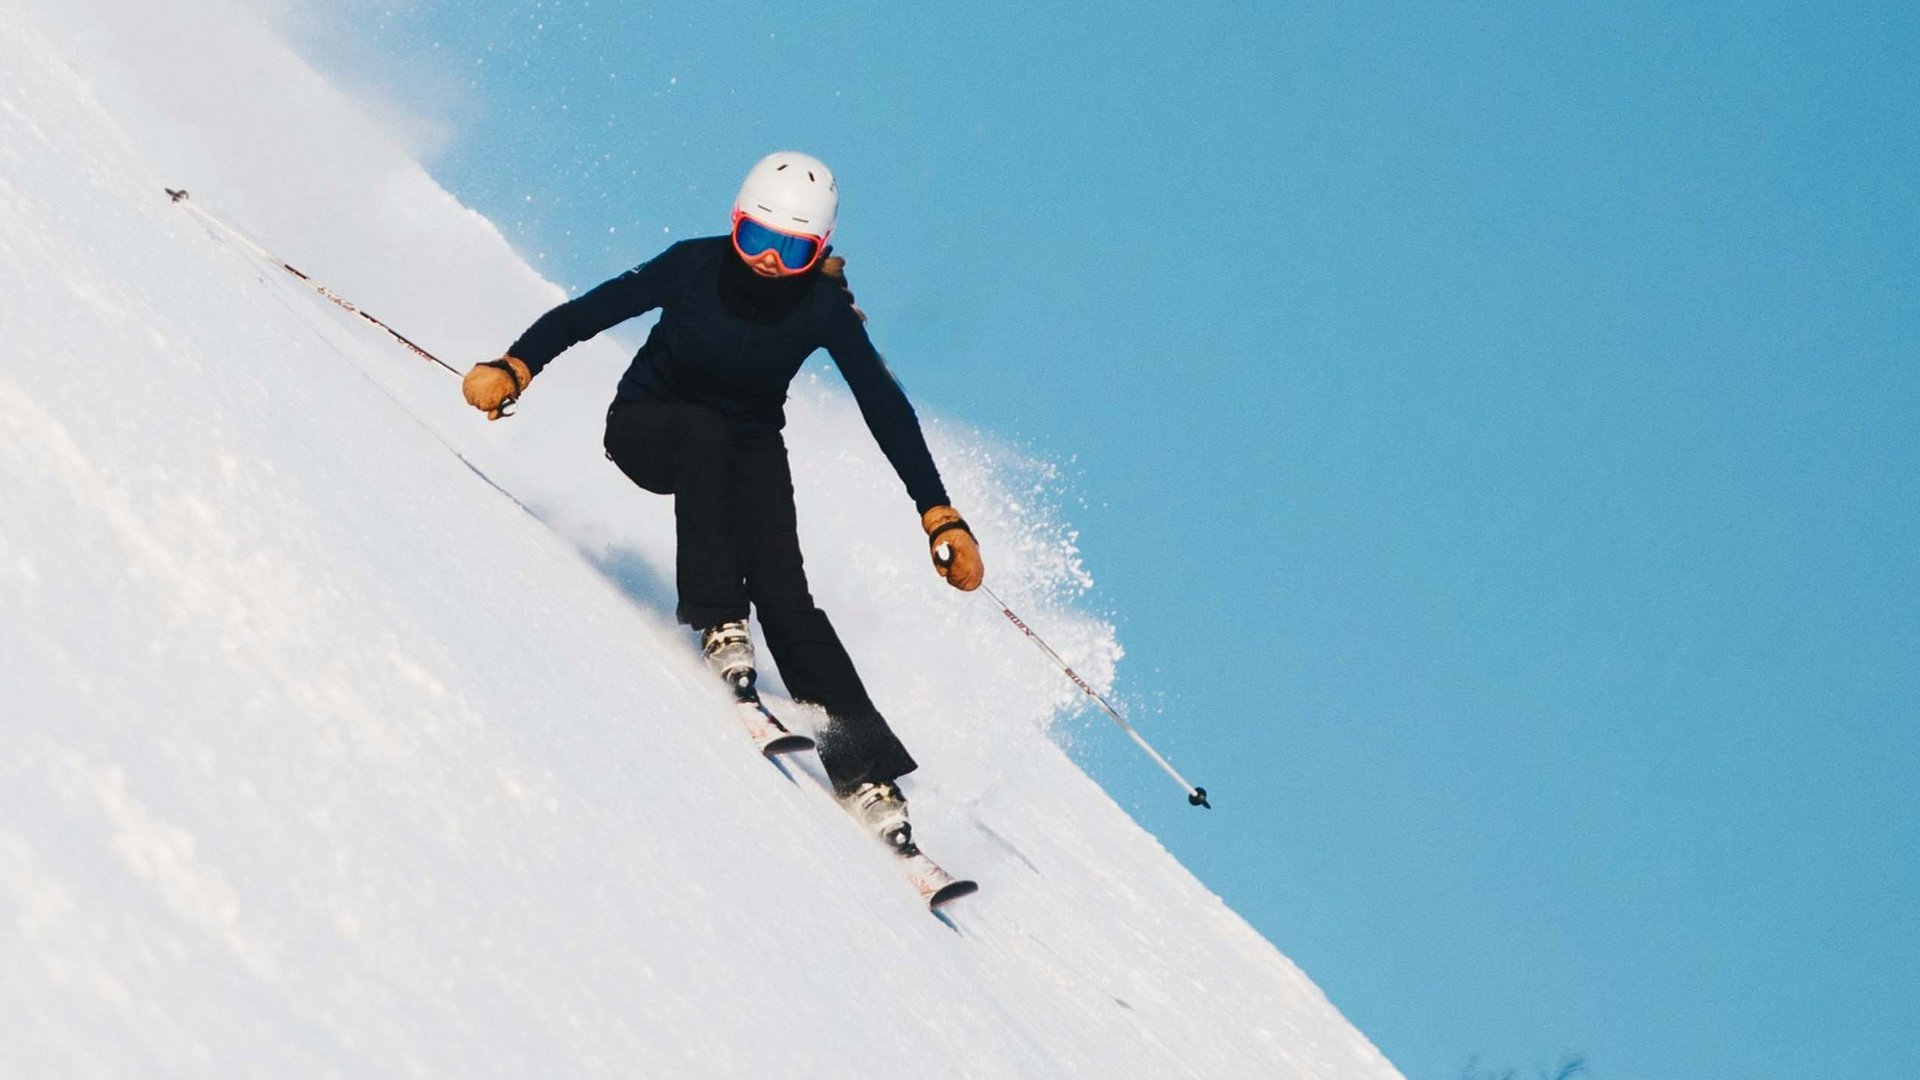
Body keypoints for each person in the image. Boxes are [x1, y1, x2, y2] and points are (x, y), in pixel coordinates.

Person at [460, 151, 983, 849]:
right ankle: (719, 620)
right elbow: (592, 311)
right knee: (705, 433)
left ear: (818, 251)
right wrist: (515, 364)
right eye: (756, 238)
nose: (768, 261)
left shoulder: (820, 308)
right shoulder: (693, 265)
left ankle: (864, 772)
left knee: (788, 594)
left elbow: (883, 406)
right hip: (650, 425)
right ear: (734, 226)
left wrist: (938, 511)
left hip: (747, 446)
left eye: (791, 249)